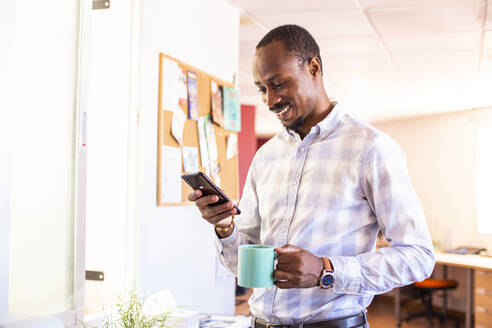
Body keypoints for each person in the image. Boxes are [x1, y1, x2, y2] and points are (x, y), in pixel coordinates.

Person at [188, 24, 435, 328]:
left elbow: (418, 256)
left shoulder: (371, 148)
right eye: (262, 89)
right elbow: (241, 264)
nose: (270, 100)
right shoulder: (266, 157)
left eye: (279, 84)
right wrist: (225, 227)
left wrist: (325, 270)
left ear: (314, 67)